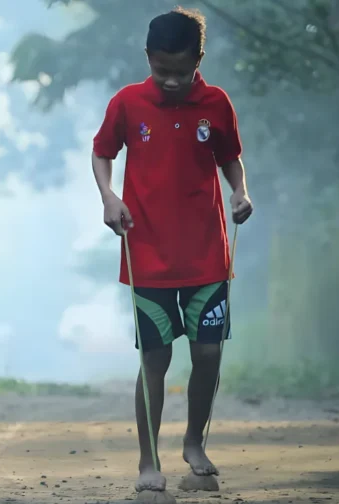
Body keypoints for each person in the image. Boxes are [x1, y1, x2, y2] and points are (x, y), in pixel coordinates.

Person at [90, 6, 254, 494]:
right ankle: (148, 460)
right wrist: (109, 197)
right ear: (148, 58)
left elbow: (231, 159)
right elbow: (102, 152)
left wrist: (241, 192)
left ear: (199, 59)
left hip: (206, 255)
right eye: (162, 71)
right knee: (154, 362)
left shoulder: (217, 103)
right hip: (148, 256)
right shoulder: (128, 103)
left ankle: (194, 442)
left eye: (182, 71)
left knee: (207, 353)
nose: (172, 81)